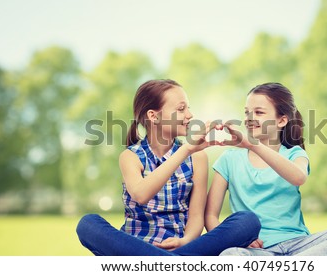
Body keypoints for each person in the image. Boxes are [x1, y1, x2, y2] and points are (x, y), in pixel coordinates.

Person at [76, 79, 260, 256]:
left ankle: (165, 263)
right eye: (181, 109)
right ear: (153, 116)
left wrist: (186, 240)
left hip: (180, 245)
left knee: (247, 222)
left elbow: (197, 216)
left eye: (189, 108)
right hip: (135, 244)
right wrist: (186, 149)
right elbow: (141, 194)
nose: (189, 115)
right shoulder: (131, 157)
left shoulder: (197, 157)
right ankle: (175, 264)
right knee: (88, 224)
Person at [205, 82, 327, 256]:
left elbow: (299, 177)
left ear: (282, 120)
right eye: (247, 112)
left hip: (300, 246)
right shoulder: (229, 159)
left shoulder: (295, 154)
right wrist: (236, 239)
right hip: (256, 251)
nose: (249, 118)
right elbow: (211, 216)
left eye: (258, 112)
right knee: (230, 255)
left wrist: (253, 145)